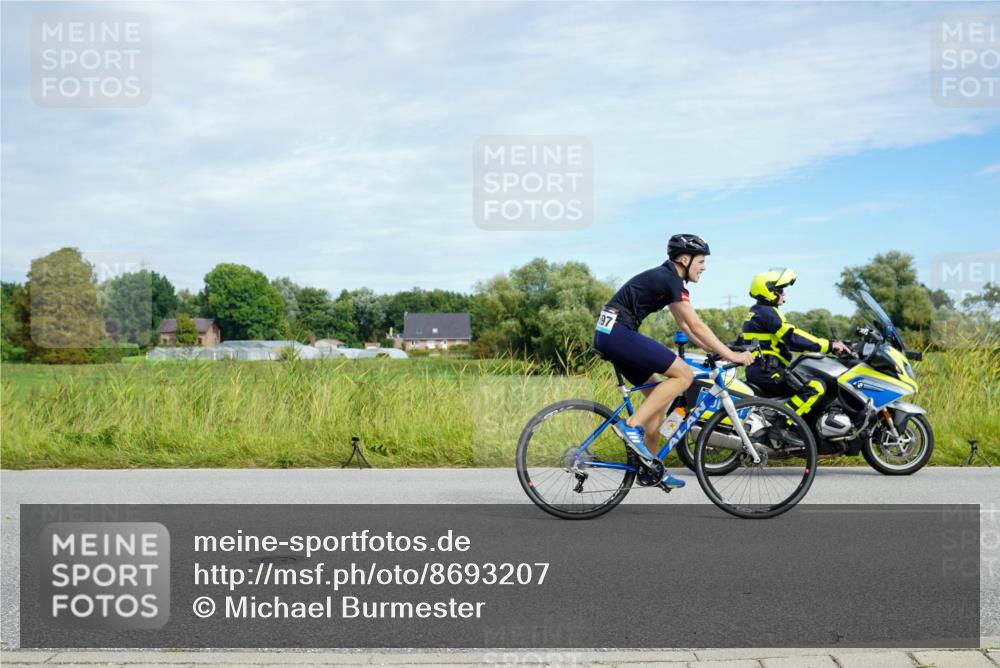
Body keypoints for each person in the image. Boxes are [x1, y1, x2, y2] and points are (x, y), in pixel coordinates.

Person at [593, 234, 754, 488]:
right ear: (684, 259)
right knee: (684, 375)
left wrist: (715, 351)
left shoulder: (669, 280)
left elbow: (686, 326)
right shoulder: (671, 279)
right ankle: (631, 427)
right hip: (618, 333)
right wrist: (732, 355)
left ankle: (650, 467)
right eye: (701, 261)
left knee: (659, 397)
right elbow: (695, 323)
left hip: (611, 334)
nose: (704, 267)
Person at [738, 268, 851, 416]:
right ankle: (784, 425)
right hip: (767, 372)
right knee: (816, 387)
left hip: (761, 370)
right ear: (769, 291)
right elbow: (792, 337)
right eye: (780, 290)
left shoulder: (756, 312)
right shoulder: (767, 313)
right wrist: (829, 346)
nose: (783, 294)